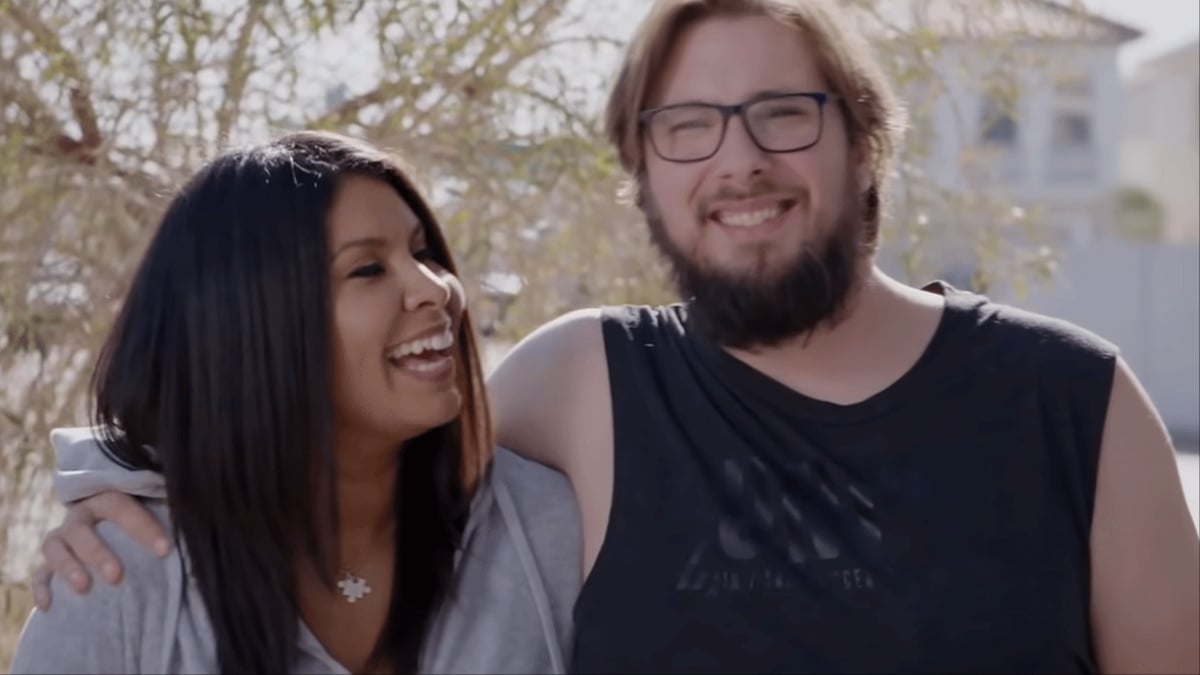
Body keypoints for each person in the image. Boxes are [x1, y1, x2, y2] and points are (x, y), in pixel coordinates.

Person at [30, 0, 1200, 672]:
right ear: (643, 172)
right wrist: (115, 502)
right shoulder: (585, 385)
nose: (739, 159)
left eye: (784, 114)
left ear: (865, 144)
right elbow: (321, 449)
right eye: (688, 125)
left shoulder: (1073, 402)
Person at [11, 131, 580, 674]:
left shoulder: (543, 529)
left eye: (422, 251)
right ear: (255, 327)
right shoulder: (115, 579)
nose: (436, 288)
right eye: (369, 269)